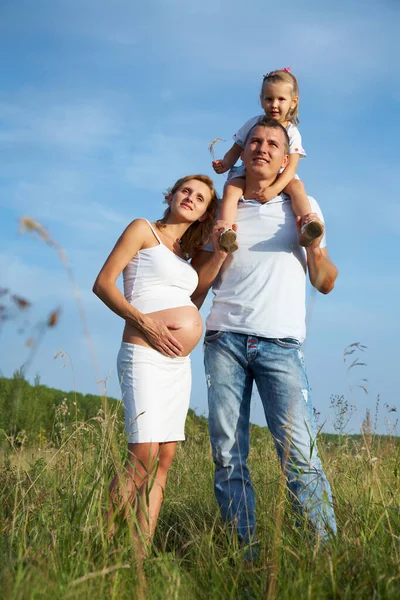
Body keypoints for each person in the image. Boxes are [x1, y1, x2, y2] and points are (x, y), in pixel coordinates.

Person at [191, 117, 338, 553]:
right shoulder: (224, 209)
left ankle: (325, 557)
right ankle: (246, 554)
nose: (262, 147)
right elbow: (197, 288)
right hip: (225, 342)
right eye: (255, 140)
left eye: (273, 143)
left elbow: (326, 282)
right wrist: (218, 251)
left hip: (280, 344)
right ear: (245, 148)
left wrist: (313, 247)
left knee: (300, 458)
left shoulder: (303, 206)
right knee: (228, 458)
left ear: (285, 154)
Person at [93, 174, 218, 549]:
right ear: (171, 194)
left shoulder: (186, 256)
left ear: (202, 214)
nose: (191, 199)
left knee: (164, 458)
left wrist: (221, 253)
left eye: (200, 199)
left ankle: (138, 557)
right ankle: (98, 544)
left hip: (176, 365)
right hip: (143, 353)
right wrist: (145, 321)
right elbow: (103, 283)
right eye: (187, 191)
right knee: (142, 454)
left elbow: (192, 302)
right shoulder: (142, 229)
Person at [212, 68, 323, 252]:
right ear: (261, 100)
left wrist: (274, 189)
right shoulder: (253, 123)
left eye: (281, 99)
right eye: (269, 99)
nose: (274, 104)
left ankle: (307, 223)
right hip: (248, 171)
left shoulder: (292, 132)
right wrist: (225, 164)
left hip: (281, 175)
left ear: (293, 102)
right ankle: (226, 231)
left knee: (297, 187)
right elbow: (236, 149)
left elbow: (291, 167)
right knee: (231, 189)